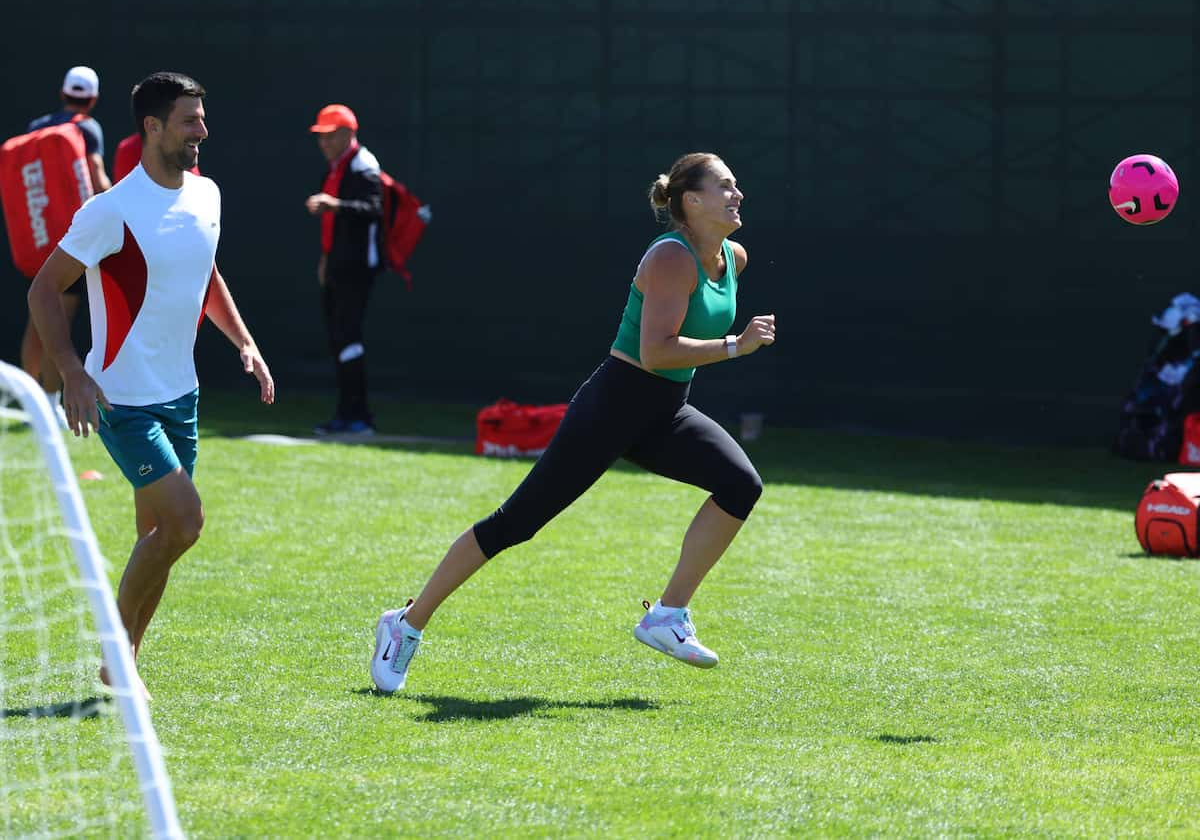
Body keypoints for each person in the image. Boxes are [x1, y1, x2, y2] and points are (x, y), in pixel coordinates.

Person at [369, 152, 777, 694]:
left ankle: (668, 615)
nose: (737, 195)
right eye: (725, 187)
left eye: (737, 186)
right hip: (614, 405)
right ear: (691, 201)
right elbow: (655, 353)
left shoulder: (735, 257)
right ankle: (405, 624)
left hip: (666, 412)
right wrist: (735, 346)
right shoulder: (671, 258)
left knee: (740, 484)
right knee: (515, 523)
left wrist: (729, 346)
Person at [27, 71, 275, 698]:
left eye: (202, 118)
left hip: (182, 397)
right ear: (152, 128)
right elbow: (43, 289)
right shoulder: (109, 211)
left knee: (157, 538)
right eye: (190, 120)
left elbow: (205, 275)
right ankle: (117, 647)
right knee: (185, 523)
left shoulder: (208, 196)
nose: (202, 131)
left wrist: (243, 342)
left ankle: (122, 661)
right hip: (122, 402)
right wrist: (71, 370)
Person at [20, 65, 113, 417]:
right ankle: (46, 402)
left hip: (39, 235)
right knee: (58, 316)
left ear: (62, 94)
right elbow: (98, 177)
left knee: (38, 311)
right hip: (72, 239)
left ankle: (26, 395)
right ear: (93, 99)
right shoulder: (87, 129)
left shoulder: (36, 128)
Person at [305, 103, 383, 436]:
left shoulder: (363, 166)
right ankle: (345, 416)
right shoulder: (336, 167)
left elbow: (374, 209)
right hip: (336, 265)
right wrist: (325, 259)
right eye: (320, 136)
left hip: (356, 269)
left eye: (329, 135)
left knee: (349, 340)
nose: (323, 143)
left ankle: (359, 418)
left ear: (348, 134)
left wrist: (334, 205)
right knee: (339, 340)